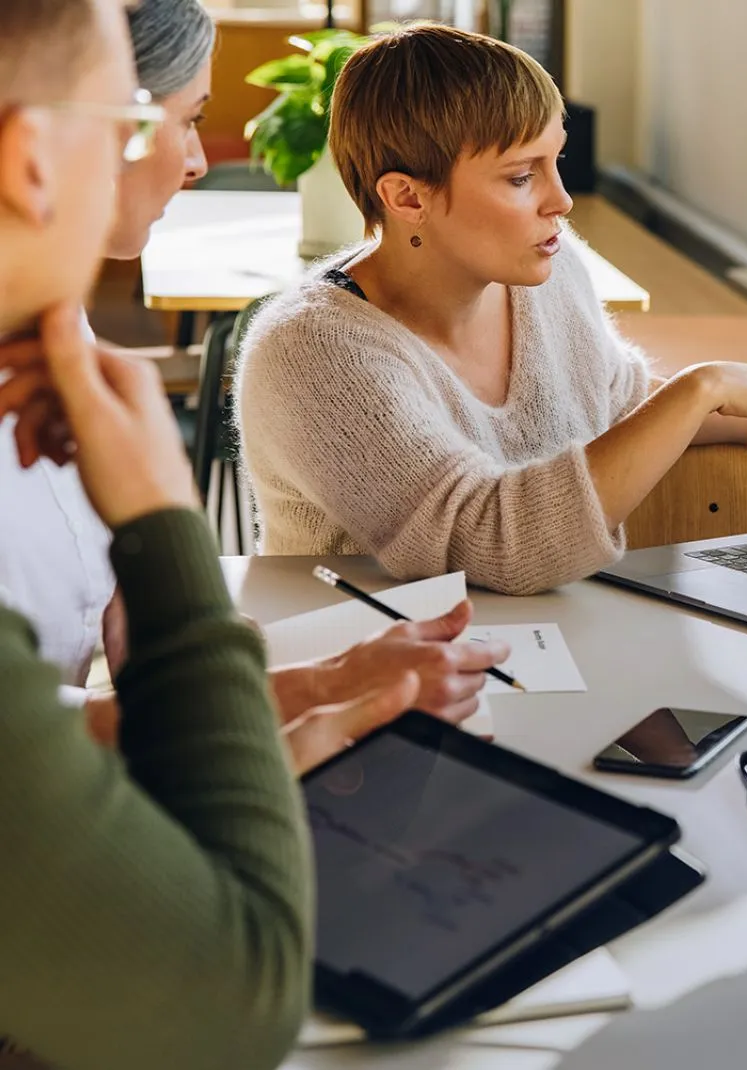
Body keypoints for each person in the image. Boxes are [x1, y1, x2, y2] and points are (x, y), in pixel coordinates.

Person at [0, 0, 509, 761]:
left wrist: (251, 671)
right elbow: (28, 747)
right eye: (168, 121)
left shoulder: (54, 330)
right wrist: (312, 697)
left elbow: (105, 634)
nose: (197, 160)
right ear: (34, 156)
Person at [0, 1, 355, 1064]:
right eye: (135, 120)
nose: (193, 159)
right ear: (31, 161)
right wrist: (164, 522)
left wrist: (274, 696)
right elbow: (232, 1005)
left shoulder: (41, 357)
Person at [236, 24, 747, 596]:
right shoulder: (311, 351)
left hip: (539, 638)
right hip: (372, 662)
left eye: (555, 161)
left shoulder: (550, 274)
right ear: (406, 198)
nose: (561, 201)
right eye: (521, 177)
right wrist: (704, 386)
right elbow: (492, 544)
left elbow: (612, 404)